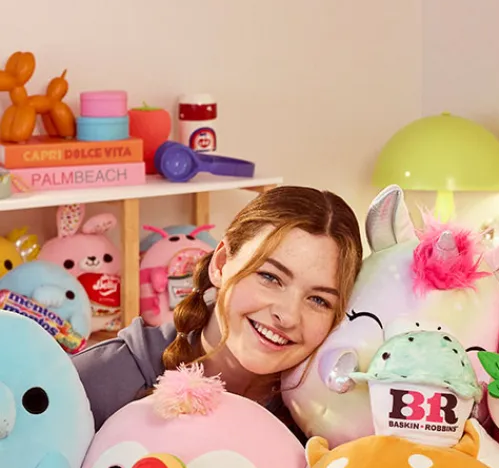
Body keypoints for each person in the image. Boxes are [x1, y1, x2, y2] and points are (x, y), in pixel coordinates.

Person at [72, 185, 363, 433]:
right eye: (270, 277)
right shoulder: (96, 381)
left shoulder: (328, 422)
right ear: (221, 264)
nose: (287, 316)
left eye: (318, 300)